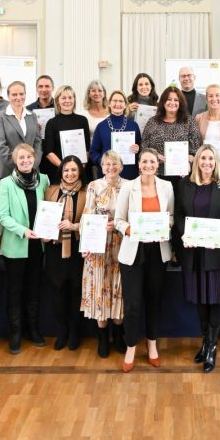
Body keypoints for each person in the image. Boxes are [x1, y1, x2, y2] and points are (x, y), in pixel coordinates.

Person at [173, 144, 220, 372]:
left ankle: (211, 347)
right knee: (200, 298)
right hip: (194, 250)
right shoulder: (185, 184)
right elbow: (179, 214)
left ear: (217, 162)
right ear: (196, 161)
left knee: (217, 298)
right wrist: (185, 233)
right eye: (203, 158)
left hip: (217, 251)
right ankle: (205, 340)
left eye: (211, 159)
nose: (207, 163)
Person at [114, 148, 174, 371]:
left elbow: (172, 215)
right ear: (139, 164)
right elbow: (118, 219)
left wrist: (166, 224)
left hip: (158, 252)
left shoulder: (166, 187)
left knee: (154, 301)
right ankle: (130, 346)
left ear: (157, 165)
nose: (148, 165)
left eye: (152, 162)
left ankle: (152, 345)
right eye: (144, 162)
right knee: (133, 304)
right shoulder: (128, 187)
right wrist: (130, 229)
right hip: (133, 252)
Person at [0, 143, 51, 353]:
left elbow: (50, 209)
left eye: (29, 157)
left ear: (34, 158)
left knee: (34, 289)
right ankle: (15, 333)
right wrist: (23, 230)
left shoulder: (44, 180)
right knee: (15, 291)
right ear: (15, 160)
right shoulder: (6, 183)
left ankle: (33, 329)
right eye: (21, 158)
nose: (26, 161)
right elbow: (3, 216)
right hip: (16, 246)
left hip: (38, 245)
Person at [81, 151, 127, 357]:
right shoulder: (93, 186)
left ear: (121, 166)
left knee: (118, 287)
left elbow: (131, 215)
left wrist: (117, 225)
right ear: (101, 166)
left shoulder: (129, 186)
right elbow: (87, 215)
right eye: (107, 164)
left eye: (114, 163)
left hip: (121, 243)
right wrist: (86, 242)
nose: (111, 167)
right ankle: (102, 338)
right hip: (98, 244)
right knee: (100, 287)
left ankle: (118, 335)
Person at [42, 156, 88, 351]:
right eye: (66, 170)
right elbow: (43, 217)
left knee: (76, 292)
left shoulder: (87, 193)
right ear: (61, 171)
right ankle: (62, 332)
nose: (70, 174)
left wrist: (74, 226)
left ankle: (75, 332)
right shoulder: (51, 190)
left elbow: (92, 221)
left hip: (78, 250)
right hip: (54, 249)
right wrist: (44, 232)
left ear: (80, 172)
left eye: (74, 170)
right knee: (57, 292)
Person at [140, 86, 202, 187]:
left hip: (182, 176)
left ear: (180, 103)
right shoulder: (152, 122)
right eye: (168, 99)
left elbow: (196, 150)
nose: (172, 102)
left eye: (176, 100)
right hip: (157, 175)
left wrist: (189, 159)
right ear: (163, 102)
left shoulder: (189, 121)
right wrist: (154, 156)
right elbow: (143, 148)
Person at [0, 80, 43, 181]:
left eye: (21, 94)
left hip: (31, 170)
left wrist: (32, 164)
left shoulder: (32, 115)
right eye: (14, 94)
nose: (18, 97)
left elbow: (37, 142)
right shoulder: (0, 116)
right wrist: (20, 165)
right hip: (8, 171)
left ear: (25, 94)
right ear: (8, 96)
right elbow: (0, 146)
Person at [41, 85, 91, 184]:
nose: (67, 101)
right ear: (57, 101)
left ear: (74, 100)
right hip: (59, 171)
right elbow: (48, 152)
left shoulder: (83, 120)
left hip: (80, 171)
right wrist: (66, 168)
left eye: (70, 97)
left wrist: (79, 167)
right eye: (63, 98)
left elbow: (87, 148)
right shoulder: (51, 123)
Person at [91, 90, 142, 180]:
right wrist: (104, 161)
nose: (117, 103)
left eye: (121, 101)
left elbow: (141, 149)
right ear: (109, 104)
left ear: (125, 105)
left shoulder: (133, 125)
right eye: (114, 101)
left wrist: (138, 149)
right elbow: (93, 152)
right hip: (108, 175)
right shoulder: (101, 126)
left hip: (130, 174)